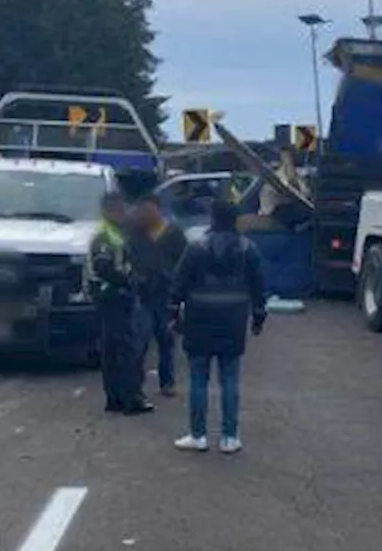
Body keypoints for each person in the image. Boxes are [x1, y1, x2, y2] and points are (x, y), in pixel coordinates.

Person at [170, 199, 266, 454]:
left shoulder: (196, 247)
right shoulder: (248, 249)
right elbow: (258, 286)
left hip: (199, 319)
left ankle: (198, 435)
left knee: (199, 379)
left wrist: (173, 313)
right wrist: (258, 317)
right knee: (230, 379)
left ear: (212, 218)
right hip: (233, 321)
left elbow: (179, 283)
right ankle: (229, 437)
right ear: (235, 219)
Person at [87, 192, 154, 416]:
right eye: (118, 209)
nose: (123, 213)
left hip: (112, 297)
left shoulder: (114, 233)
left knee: (112, 349)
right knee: (126, 348)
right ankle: (131, 398)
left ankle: (115, 397)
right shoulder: (105, 236)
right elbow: (104, 268)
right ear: (107, 210)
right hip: (114, 297)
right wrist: (129, 281)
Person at [129, 193, 188, 397]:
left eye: (148, 210)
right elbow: (129, 258)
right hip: (143, 295)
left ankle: (167, 382)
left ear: (158, 209)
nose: (144, 214)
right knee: (140, 340)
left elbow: (183, 263)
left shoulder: (173, 232)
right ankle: (136, 384)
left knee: (166, 340)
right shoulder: (135, 233)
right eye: (142, 210)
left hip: (166, 295)